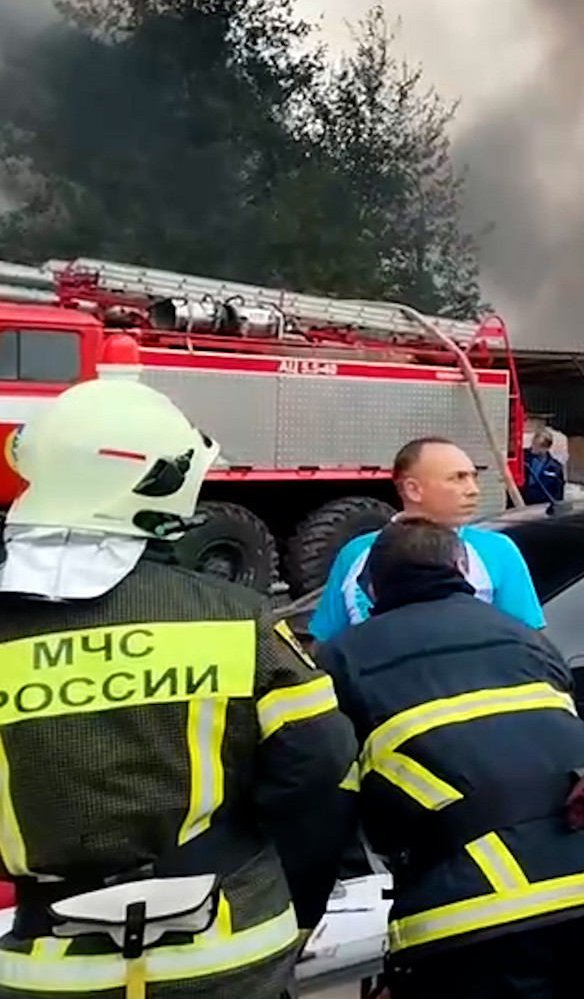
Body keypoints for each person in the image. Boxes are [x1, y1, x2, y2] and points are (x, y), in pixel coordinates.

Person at [0, 379, 358, 998]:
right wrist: (296, 905)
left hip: (46, 967)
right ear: (160, 482)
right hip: (229, 951)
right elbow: (321, 771)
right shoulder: (235, 620)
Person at [315, 517, 584, 999]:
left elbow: (319, 791)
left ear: (370, 585)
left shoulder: (344, 659)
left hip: (472, 913)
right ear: (462, 570)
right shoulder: (528, 639)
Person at [309, 436, 544, 641]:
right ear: (413, 489)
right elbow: (327, 641)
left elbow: (526, 641)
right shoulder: (357, 553)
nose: (473, 490)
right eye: (458, 478)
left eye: (474, 477)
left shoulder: (497, 551)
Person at [521, 429, 568, 505]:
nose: (534, 448)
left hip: (543, 504)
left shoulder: (555, 467)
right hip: (524, 502)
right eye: (533, 444)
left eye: (538, 446)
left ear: (546, 448)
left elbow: (558, 491)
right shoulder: (523, 458)